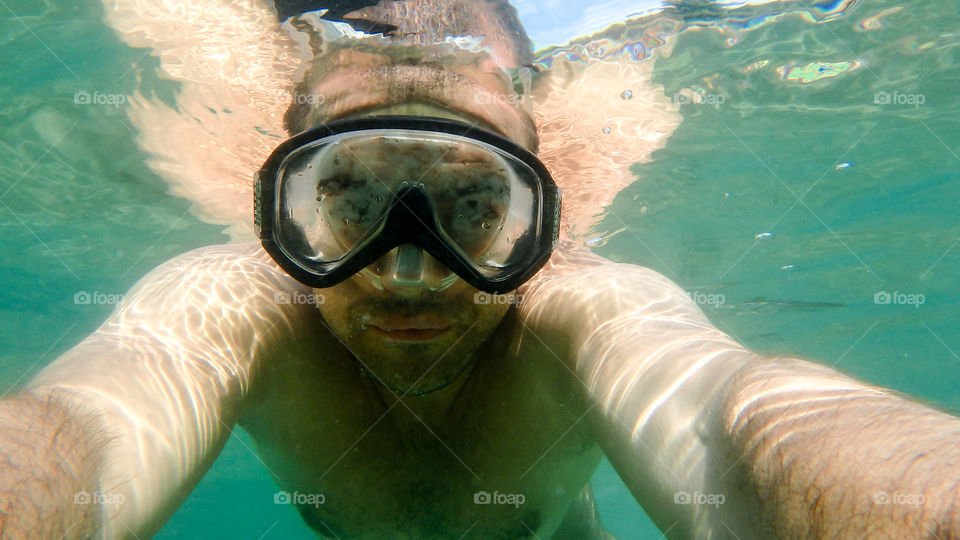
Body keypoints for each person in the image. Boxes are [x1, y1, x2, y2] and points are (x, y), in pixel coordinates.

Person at [2, 1, 959, 538]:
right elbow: (84, 426)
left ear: (539, 211)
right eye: (354, 201)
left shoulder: (576, 309)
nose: (411, 273)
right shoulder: (239, 301)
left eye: (474, 202)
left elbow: (735, 409)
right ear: (282, 209)